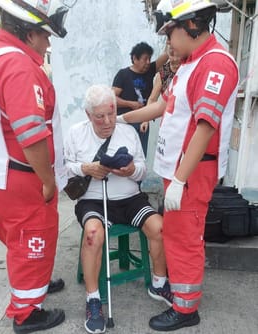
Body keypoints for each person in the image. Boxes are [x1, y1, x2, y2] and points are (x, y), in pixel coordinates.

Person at [117, 0, 239, 331]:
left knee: (184, 238)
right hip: (179, 171)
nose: (167, 41)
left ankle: (186, 309)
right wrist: (120, 119)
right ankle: (180, 294)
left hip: (192, 173)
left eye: (171, 32)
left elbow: (206, 126)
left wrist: (182, 180)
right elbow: (162, 108)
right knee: (175, 235)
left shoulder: (216, 64)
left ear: (194, 26)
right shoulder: (189, 64)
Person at [0, 0, 69, 333]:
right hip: (22, 175)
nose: (48, 44)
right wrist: (48, 179)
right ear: (29, 34)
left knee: (19, 239)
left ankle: (34, 285)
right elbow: (31, 133)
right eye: (45, 36)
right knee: (33, 237)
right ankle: (27, 312)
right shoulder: (18, 66)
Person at [64, 84, 171, 334]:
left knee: (160, 228)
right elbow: (65, 169)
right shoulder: (76, 133)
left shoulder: (127, 133)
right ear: (89, 115)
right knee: (93, 234)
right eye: (100, 116)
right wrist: (87, 168)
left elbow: (144, 169)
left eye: (111, 114)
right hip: (92, 200)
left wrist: (132, 170)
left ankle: (158, 283)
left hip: (129, 198)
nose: (107, 121)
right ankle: (93, 299)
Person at [112, 42, 168, 156]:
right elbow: (111, 98)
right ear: (135, 58)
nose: (148, 62)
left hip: (143, 122)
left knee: (141, 155)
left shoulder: (150, 70)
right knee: (125, 155)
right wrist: (130, 104)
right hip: (125, 123)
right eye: (145, 59)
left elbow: (166, 55)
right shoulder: (123, 74)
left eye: (149, 59)